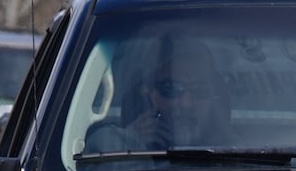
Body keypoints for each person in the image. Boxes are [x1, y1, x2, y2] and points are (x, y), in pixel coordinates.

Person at [85, 38, 227, 152]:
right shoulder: (106, 147)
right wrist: (131, 142)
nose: (186, 103)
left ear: (213, 96)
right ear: (147, 93)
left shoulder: (239, 151)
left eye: (200, 90)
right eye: (171, 89)